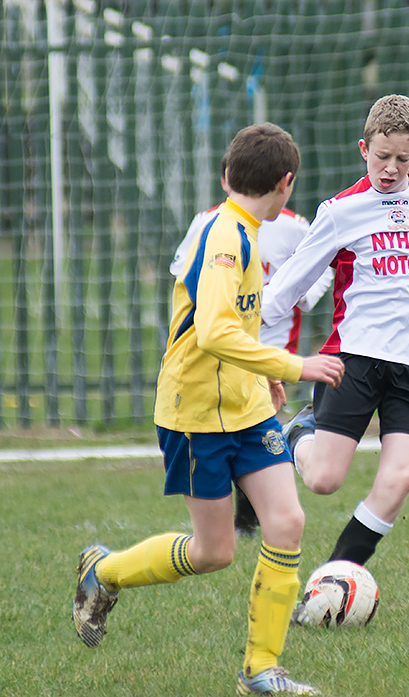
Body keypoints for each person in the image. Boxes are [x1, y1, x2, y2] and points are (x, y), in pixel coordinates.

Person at [72, 123, 345, 696]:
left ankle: (261, 671)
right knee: (213, 552)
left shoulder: (240, 228)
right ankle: (104, 570)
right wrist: (293, 366)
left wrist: (261, 376)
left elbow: (236, 328)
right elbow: (217, 331)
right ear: (286, 184)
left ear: (227, 175)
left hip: (243, 407)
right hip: (195, 416)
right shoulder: (226, 241)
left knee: (287, 521)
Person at [260, 94, 409, 623]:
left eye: (402, 160)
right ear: (364, 148)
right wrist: (243, 339)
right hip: (355, 361)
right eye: (381, 156)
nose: (389, 169)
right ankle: (300, 432)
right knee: (323, 481)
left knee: (399, 480)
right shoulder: (340, 212)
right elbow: (285, 289)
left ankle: (330, 587)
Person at [171, 158, 334, 537]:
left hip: (270, 347)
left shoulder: (293, 227)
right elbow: (185, 280)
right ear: (225, 178)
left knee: (260, 426)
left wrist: (292, 297)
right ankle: (242, 518)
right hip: (218, 353)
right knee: (237, 429)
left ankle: (248, 518)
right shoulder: (208, 225)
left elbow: (322, 266)